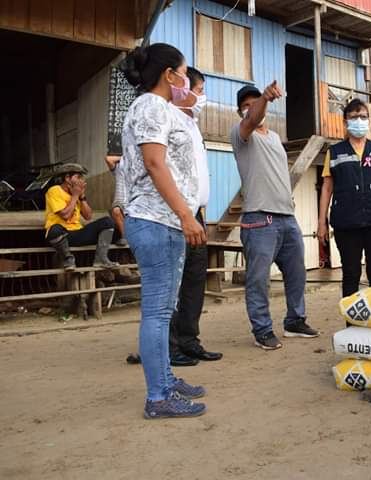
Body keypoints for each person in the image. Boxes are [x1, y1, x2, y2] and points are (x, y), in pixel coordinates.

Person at [120, 43, 206, 419]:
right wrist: (186, 215)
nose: (187, 80)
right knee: (156, 313)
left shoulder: (160, 108)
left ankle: (166, 380)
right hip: (156, 221)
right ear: (169, 74)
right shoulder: (151, 107)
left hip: (164, 221)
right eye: (184, 72)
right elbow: (155, 164)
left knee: (164, 310)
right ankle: (157, 398)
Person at [231, 82, 318, 351]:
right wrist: (264, 99)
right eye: (246, 105)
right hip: (259, 219)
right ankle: (262, 329)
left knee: (296, 274)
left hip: (286, 217)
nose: (252, 108)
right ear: (240, 112)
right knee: (258, 279)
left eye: (254, 101)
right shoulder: (242, 133)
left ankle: (294, 320)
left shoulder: (274, 138)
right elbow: (253, 117)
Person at [166, 67, 222, 366]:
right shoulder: (167, 120)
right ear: (182, 89)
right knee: (173, 285)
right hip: (176, 216)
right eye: (199, 90)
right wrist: (184, 214)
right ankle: (170, 346)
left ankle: (189, 341)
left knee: (193, 283)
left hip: (197, 215)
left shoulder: (193, 124)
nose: (202, 97)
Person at [318, 98, 371, 298]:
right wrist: (322, 222)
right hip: (346, 223)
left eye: (363, 117)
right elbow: (327, 188)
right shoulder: (335, 152)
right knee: (351, 274)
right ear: (345, 122)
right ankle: (351, 326)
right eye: (354, 117)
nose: (359, 121)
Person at [44, 163, 118, 270]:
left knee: (108, 222)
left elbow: (88, 216)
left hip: (77, 233)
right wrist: (75, 196)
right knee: (54, 229)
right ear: (67, 178)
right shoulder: (55, 190)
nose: (81, 180)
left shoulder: (77, 194)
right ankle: (68, 259)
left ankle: (101, 259)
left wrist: (82, 197)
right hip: (62, 236)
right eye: (78, 177)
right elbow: (65, 215)